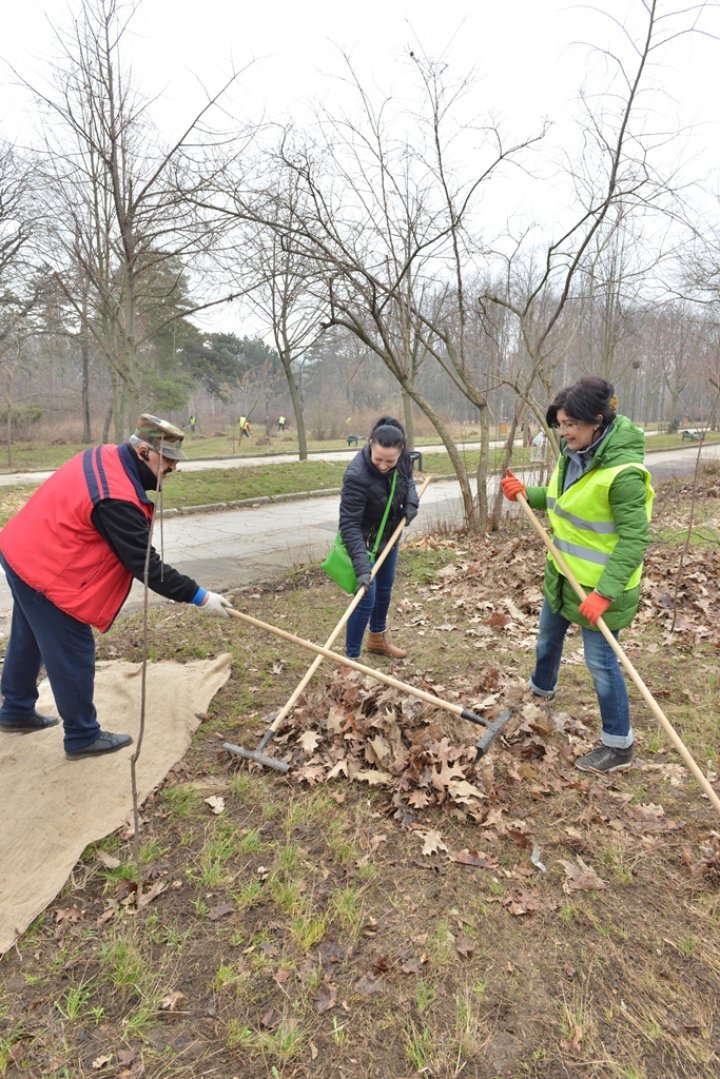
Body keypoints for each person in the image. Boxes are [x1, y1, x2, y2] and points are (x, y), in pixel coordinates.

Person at [0, 414, 234, 760]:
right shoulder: (116, 496)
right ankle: (81, 735)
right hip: (46, 569)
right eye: (167, 461)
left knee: (29, 634)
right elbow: (145, 566)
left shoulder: (107, 456)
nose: (172, 469)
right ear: (142, 452)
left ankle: (15, 710)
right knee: (72, 648)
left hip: (23, 550)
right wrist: (200, 597)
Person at [501, 377, 654, 774]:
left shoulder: (624, 474)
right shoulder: (573, 454)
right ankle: (541, 691)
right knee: (548, 637)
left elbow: (635, 539)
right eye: (562, 423)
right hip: (563, 572)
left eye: (572, 424)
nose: (564, 431)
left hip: (602, 586)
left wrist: (604, 592)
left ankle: (619, 745)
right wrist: (526, 492)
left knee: (602, 664)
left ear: (597, 421)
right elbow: (563, 502)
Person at [339, 416, 419, 659]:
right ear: (370, 444)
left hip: (389, 536)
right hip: (363, 543)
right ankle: (351, 659)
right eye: (378, 459)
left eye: (390, 461)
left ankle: (376, 640)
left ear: (401, 452)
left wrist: (412, 503)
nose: (383, 465)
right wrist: (362, 567)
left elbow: (408, 482)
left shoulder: (403, 459)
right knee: (365, 598)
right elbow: (349, 525)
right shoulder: (356, 476)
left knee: (384, 589)